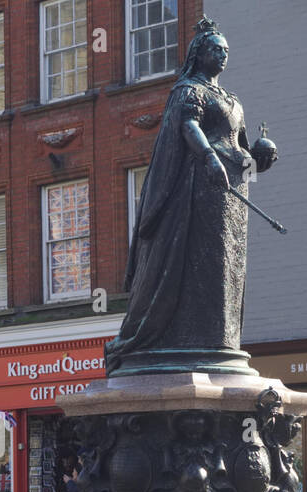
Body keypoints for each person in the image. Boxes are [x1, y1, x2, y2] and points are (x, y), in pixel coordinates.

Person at [105, 17, 276, 374]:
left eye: (226, 50)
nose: (223, 55)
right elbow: (188, 126)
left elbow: (240, 147)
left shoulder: (232, 100)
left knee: (226, 267)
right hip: (200, 190)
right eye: (216, 49)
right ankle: (184, 335)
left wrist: (260, 159)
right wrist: (209, 157)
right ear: (199, 53)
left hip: (231, 197)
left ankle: (218, 338)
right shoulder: (189, 91)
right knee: (200, 260)